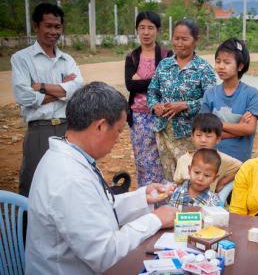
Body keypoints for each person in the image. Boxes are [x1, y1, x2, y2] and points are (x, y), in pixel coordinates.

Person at [26, 82, 178, 274]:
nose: (117, 140)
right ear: (100, 126)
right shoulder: (70, 179)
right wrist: (155, 219)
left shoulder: (71, 155)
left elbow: (96, 209)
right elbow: (105, 254)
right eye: (118, 131)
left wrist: (141, 198)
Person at [11, 2, 84, 197]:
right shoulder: (22, 59)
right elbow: (23, 96)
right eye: (48, 26)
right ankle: (26, 226)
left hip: (67, 129)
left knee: (68, 182)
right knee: (32, 184)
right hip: (39, 130)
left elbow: (77, 89)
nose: (53, 31)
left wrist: (40, 87)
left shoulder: (67, 60)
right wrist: (62, 91)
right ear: (36, 26)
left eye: (57, 27)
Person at [148, 19, 216, 180]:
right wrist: (154, 105)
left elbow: (212, 99)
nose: (179, 43)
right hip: (164, 131)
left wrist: (187, 105)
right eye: (176, 38)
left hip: (189, 135)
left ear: (196, 40)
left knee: (188, 177)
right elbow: (152, 91)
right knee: (169, 176)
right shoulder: (164, 65)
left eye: (185, 39)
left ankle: (188, 205)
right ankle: (172, 204)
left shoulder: (203, 68)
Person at [125, 11, 173, 186]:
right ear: (137, 30)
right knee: (143, 161)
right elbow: (130, 86)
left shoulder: (167, 55)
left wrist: (141, 80)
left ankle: (165, 202)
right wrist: (155, 79)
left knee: (163, 159)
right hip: (139, 117)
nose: (146, 32)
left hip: (163, 114)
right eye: (142, 28)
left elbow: (167, 84)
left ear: (158, 30)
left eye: (150, 28)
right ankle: (146, 202)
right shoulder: (132, 57)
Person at [201, 37, 258, 162]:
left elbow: (249, 129)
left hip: (239, 163)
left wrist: (216, 127)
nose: (220, 66)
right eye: (218, 61)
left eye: (227, 62)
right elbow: (203, 129)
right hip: (211, 161)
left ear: (240, 66)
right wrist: (238, 127)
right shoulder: (210, 93)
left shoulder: (251, 94)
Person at [173, 113, 241, 203]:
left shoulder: (221, 159)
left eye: (208, 136)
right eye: (198, 135)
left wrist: (223, 182)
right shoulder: (183, 160)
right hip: (184, 206)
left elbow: (243, 167)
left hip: (208, 205)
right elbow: (178, 183)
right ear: (192, 136)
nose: (203, 140)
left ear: (218, 139)